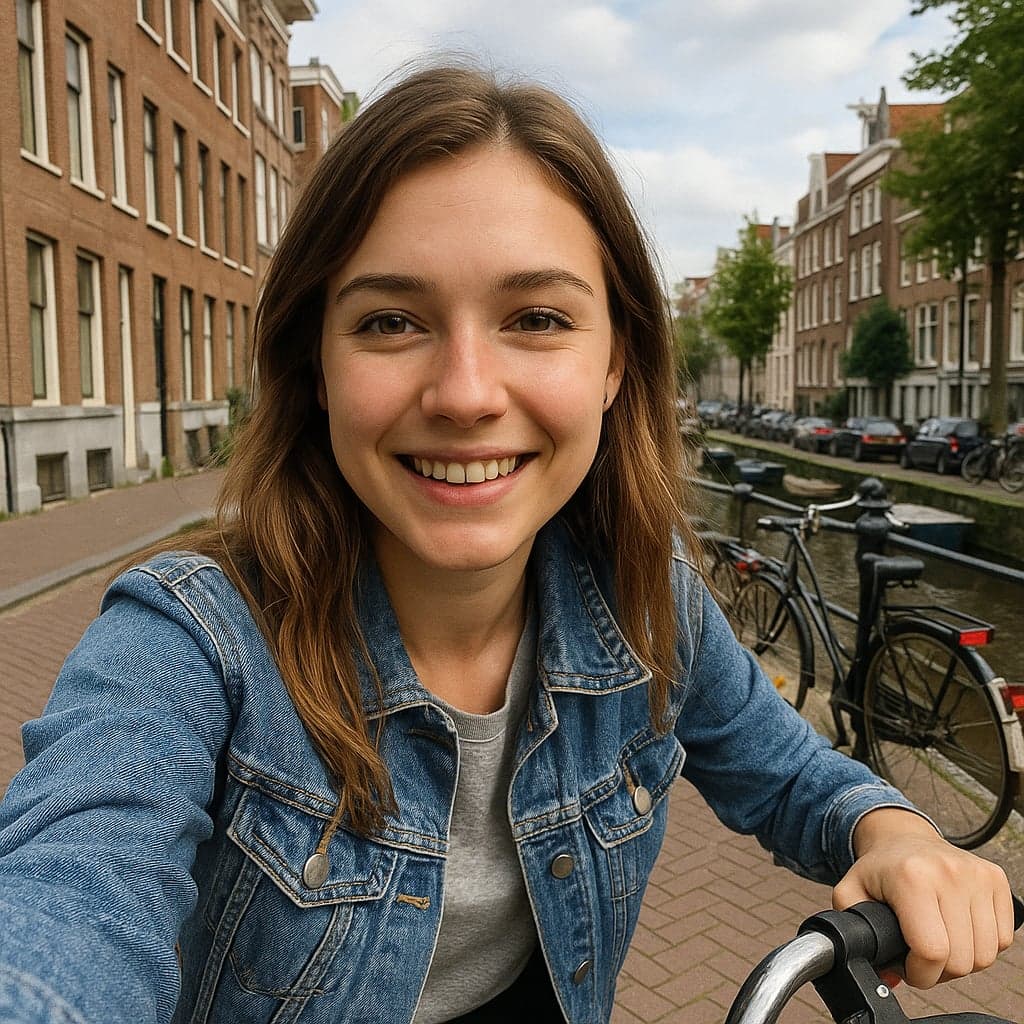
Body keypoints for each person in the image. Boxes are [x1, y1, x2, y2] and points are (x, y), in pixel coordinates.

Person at [0, 64, 1014, 1024]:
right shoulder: (188, 646)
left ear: (617, 361)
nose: (467, 393)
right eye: (393, 321)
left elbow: (792, 776)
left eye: (535, 316)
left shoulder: (644, 603)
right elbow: (67, 900)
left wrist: (895, 833)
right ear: (314, 365)